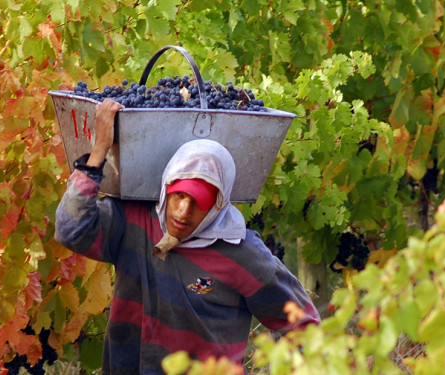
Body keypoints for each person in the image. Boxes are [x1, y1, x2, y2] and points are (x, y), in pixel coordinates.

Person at [55, 98, 320, 374]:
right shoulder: (133, 222)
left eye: (198, 201)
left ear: (218, 203)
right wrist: (98, 152)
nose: (183, 211)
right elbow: (70, 231)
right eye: (179, 195)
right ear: (166, 187)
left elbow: (303, 325)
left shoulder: (241, 253)